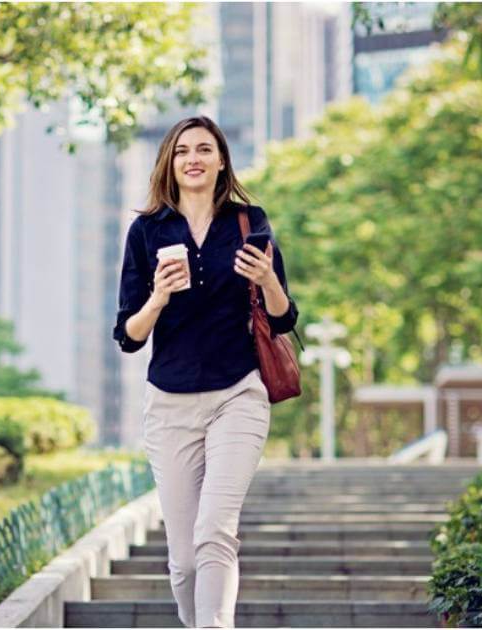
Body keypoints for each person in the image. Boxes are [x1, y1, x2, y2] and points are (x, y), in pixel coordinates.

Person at [112, 115, 298, 628]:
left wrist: (268, 280)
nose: (192, 158)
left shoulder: (248, 220)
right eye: (181, 151)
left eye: (203, 149)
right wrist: (158, 296)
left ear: (221, 161)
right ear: (169, 163)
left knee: (216, 530)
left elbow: (284, 317)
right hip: (169, 404)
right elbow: (128, 335)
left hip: (237, 394)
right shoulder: (147, 231)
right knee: (186, 559)